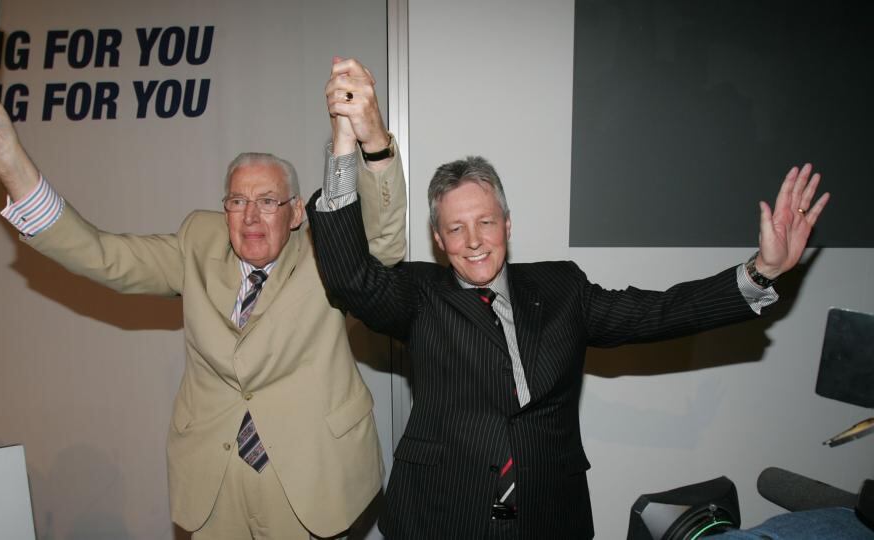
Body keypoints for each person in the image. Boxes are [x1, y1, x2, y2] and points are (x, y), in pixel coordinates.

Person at [0, 57, 405, 539]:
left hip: (312, 482)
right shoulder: (196, 241)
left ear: (294, 213)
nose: (250, 216)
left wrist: (373, 143)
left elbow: (384, 245)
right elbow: (101, 254)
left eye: (267, 201)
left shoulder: (324, 250)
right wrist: (8, 159)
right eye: (236, 201)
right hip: (214, 485)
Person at [307, 155, 829, 538]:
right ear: (439, 240)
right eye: (456, 228)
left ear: (507, 225)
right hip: (443, 512)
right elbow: (352, 279)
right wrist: (345, 149)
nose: (474, 240)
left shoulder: (562, 288)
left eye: (486, 222)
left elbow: (658, 312)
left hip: (548, 512)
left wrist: (763, 270)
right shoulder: (420, 295)